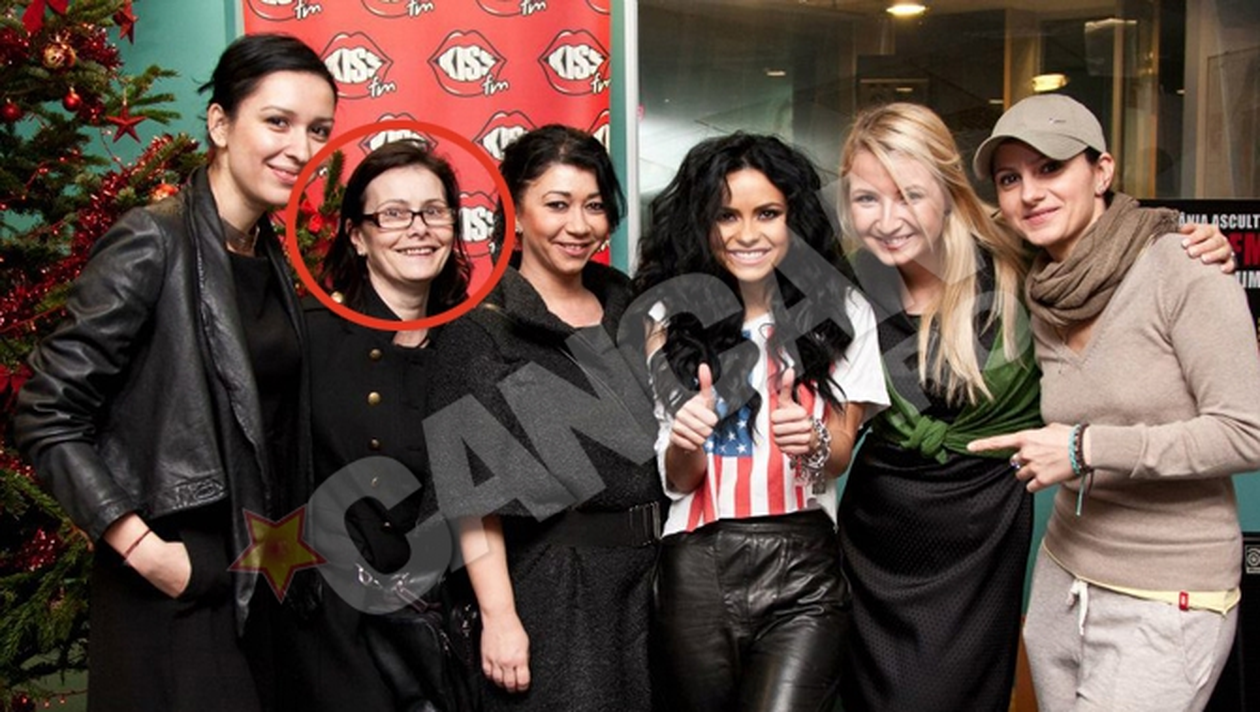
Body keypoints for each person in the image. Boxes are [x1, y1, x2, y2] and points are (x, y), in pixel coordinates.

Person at [14, 33, 336, 712]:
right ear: (220, 123)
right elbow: (46, 410)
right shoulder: (152, 239)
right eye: (277, 122)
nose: (301, 149)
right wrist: (144, 550)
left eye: (318, 130)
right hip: (175, 574)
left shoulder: (270, 257)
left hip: (257, 571)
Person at [969, 93, 1260, 712]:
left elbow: (1247, 432)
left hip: (1166, 594)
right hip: (1065, 577)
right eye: (1010, 179)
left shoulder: (1182, 265)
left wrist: (1085, 447)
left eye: (1051, 168)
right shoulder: (1042, 284)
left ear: (1102, 172)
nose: (1030, 193)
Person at [633, 132, 889, 712]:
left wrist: (815, 439)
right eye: (727, 215)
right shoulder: (667, 319)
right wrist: (686, 439)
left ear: (795, 219)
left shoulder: (844, 311)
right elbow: (679, 478)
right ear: (701, 224)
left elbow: (839, 455)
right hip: (697, 566)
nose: (747, 234)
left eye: (767, 213)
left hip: (805, 567)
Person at [427, 125, 665, 711]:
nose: (578, 225)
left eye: (594, 206)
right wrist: (499, 617)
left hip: (654, 581)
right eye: (557, 205)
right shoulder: (478, 332)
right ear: (514, 214)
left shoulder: (632, 310)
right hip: (555, 587)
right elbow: (469, 499)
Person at [834, 102, 1038, 712]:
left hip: (982, 533)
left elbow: (1112, 249)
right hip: (876, 537)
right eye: (867, 199)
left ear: (948, 192)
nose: (887, 220)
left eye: (910, 196)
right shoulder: (846, 286)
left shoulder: (1015, 265)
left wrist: (1179, 237)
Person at [283, 138, 471, 711]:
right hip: (338, 636)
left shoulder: (474, 342)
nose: (418, 229)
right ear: (358, 236)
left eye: (433, 212)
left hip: (449, 627)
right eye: (393, 214)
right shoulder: (307, 334)